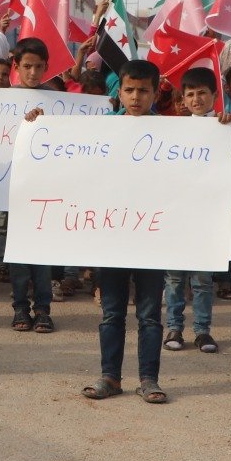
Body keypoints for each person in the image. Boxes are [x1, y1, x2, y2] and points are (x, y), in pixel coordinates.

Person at [75, 59, 168, 404]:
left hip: (152, 237)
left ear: (155, 92)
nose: (135, 96)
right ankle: (109, 377)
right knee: (112, 311)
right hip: (112, 236)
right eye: (129, 89)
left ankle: (149, 379)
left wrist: (221, 128)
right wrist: (35, 124)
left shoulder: (174, 133)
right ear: (120, 91)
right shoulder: (103, 130)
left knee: (149, 314)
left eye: (143, 90)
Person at [162, 66, 219, 353]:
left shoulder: (225, 127)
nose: (196, 100)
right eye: (190, 94)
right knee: (173, 278)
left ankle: (203, 331)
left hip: (208, 216)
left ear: (214, 95)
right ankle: (173, 327)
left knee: (202, 279)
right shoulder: (173, 131)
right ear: (182, 98)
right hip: (177, 214)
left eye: (202, 94)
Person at [4, 38, 55, 333]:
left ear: (47, 67)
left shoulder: (58, 100)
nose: (33, 72)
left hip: (46, 190)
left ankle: (44, 309)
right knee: (19, 252)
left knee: (43, 252)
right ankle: (21, 307)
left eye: (38, 67)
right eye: (27, 67)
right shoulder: (3, 101)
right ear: (17, 67)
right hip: (15, 190)